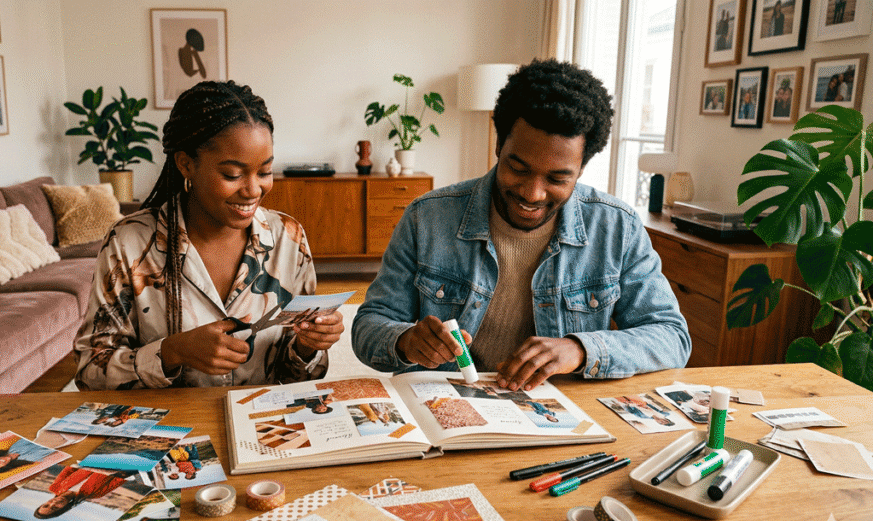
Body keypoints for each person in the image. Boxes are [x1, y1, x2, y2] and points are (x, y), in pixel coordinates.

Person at [352, 59, 690, 392]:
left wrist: (582, 349)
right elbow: (368, 326)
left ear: (582, 168)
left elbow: (672, 336)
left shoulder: (618, 228)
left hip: (558, 415)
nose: (533, 193)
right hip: (447, 406)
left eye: (558, 178)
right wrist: (405, 341)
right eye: (518, 168)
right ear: (499, 146)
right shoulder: (427, 217)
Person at [74, 81, 344, 389]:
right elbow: (89, 372)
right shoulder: (129, 243)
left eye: (264, 171)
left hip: (259, 426)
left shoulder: (288, 238)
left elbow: (299, 379)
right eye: (232, 174)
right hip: (172, 430)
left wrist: (309, 345)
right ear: (186, 164)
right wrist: (172, 352)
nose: (253, 190)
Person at [33, 466, 127, 519]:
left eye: (46, 505)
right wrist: (110, 471)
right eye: (55, 508)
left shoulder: (55, 487)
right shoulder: (95, 495)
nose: (54, 503)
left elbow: (69, 469)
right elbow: (121, 479)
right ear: (63, 509)